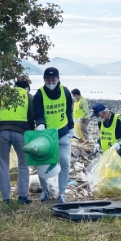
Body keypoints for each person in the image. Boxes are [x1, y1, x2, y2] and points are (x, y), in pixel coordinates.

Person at [33, 67, 74, 203]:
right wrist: (40, 123)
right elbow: (38, 113)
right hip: (45, 135)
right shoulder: (39, 94)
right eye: (48, 79)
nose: (51, 82)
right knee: (42, 163)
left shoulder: (65, 92)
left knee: (65, 163)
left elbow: (69, 110)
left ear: (58, 79)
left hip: (62, 132)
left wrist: (71, 127)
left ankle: (62, 193)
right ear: (44, 79)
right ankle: (45, 191)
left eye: (53, 79)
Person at [0, 80, 35, 204]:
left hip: (2, 130)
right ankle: (22, 196)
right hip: (20, 131)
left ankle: (6, 198)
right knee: (23, 164)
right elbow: (31, 115)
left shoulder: (5, 94)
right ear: (27, 88)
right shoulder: (27, 95)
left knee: (3, 165)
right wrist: (31, 132)